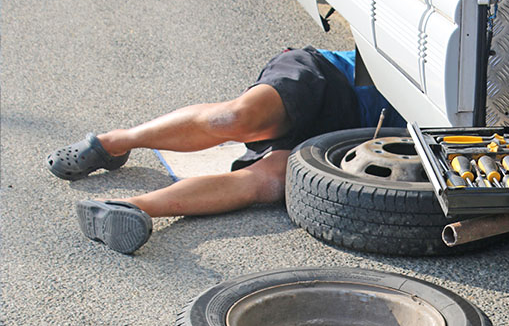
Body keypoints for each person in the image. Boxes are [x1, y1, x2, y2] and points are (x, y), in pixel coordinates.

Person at [46, 47, 405, 254]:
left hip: (353, 137)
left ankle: (129, 209)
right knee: (235, 118)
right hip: (333, 76)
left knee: (272, 182)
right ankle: (115, 142)